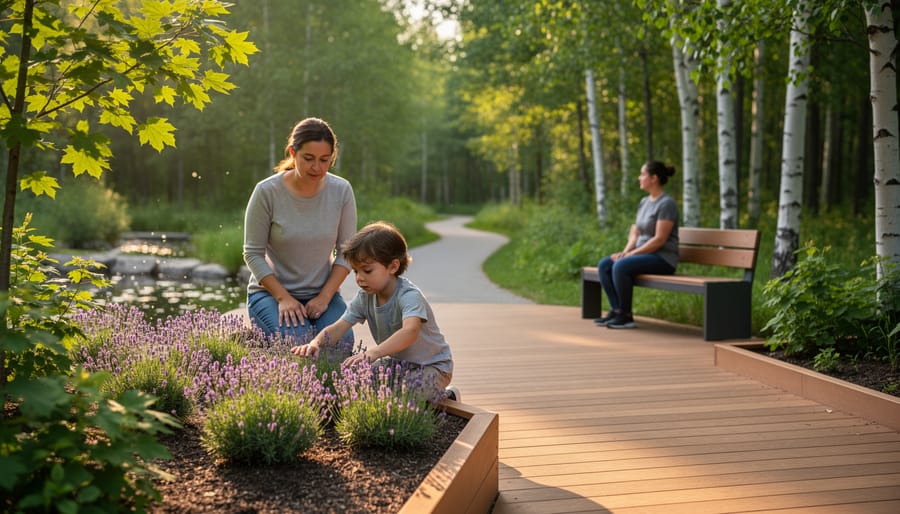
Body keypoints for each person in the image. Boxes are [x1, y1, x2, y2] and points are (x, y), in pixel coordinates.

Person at [291, 221, 459, 401]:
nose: (359, 278)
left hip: (433, 366)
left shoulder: (409, 296)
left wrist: (374, 353)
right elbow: (340, 326)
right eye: (356, 271)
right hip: (397, 364)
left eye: (367, 270)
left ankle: (448, 395)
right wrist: (315, 343)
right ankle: (429, 399)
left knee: (403, 398)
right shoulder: (365, 297)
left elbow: (410, 331)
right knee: (357, 382)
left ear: (393, 267)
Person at [243, 117, 357, 347]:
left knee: (340, 345)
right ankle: (256, 341)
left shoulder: (341, 191)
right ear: (292, 153)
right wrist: (283, 298)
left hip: (323, 294)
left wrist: (324, 298)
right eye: (308, 159)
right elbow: (252, 253)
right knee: (297, 342)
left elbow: (346, 253)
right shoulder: (267, 191)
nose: (317, 167)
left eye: (325, 160)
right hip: (270, 295)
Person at [594, 161, 679, 329]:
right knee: (605, 264)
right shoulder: (644, 202)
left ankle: (626, 316)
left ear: (654, 178)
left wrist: (631, 255)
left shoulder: (666, 204)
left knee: (621, 266)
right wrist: (624, 252)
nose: (639, 178)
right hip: (643, 255)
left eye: (642, 174)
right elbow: (635, 233)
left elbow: (659, 240)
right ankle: (617, 310)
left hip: (662, 258)